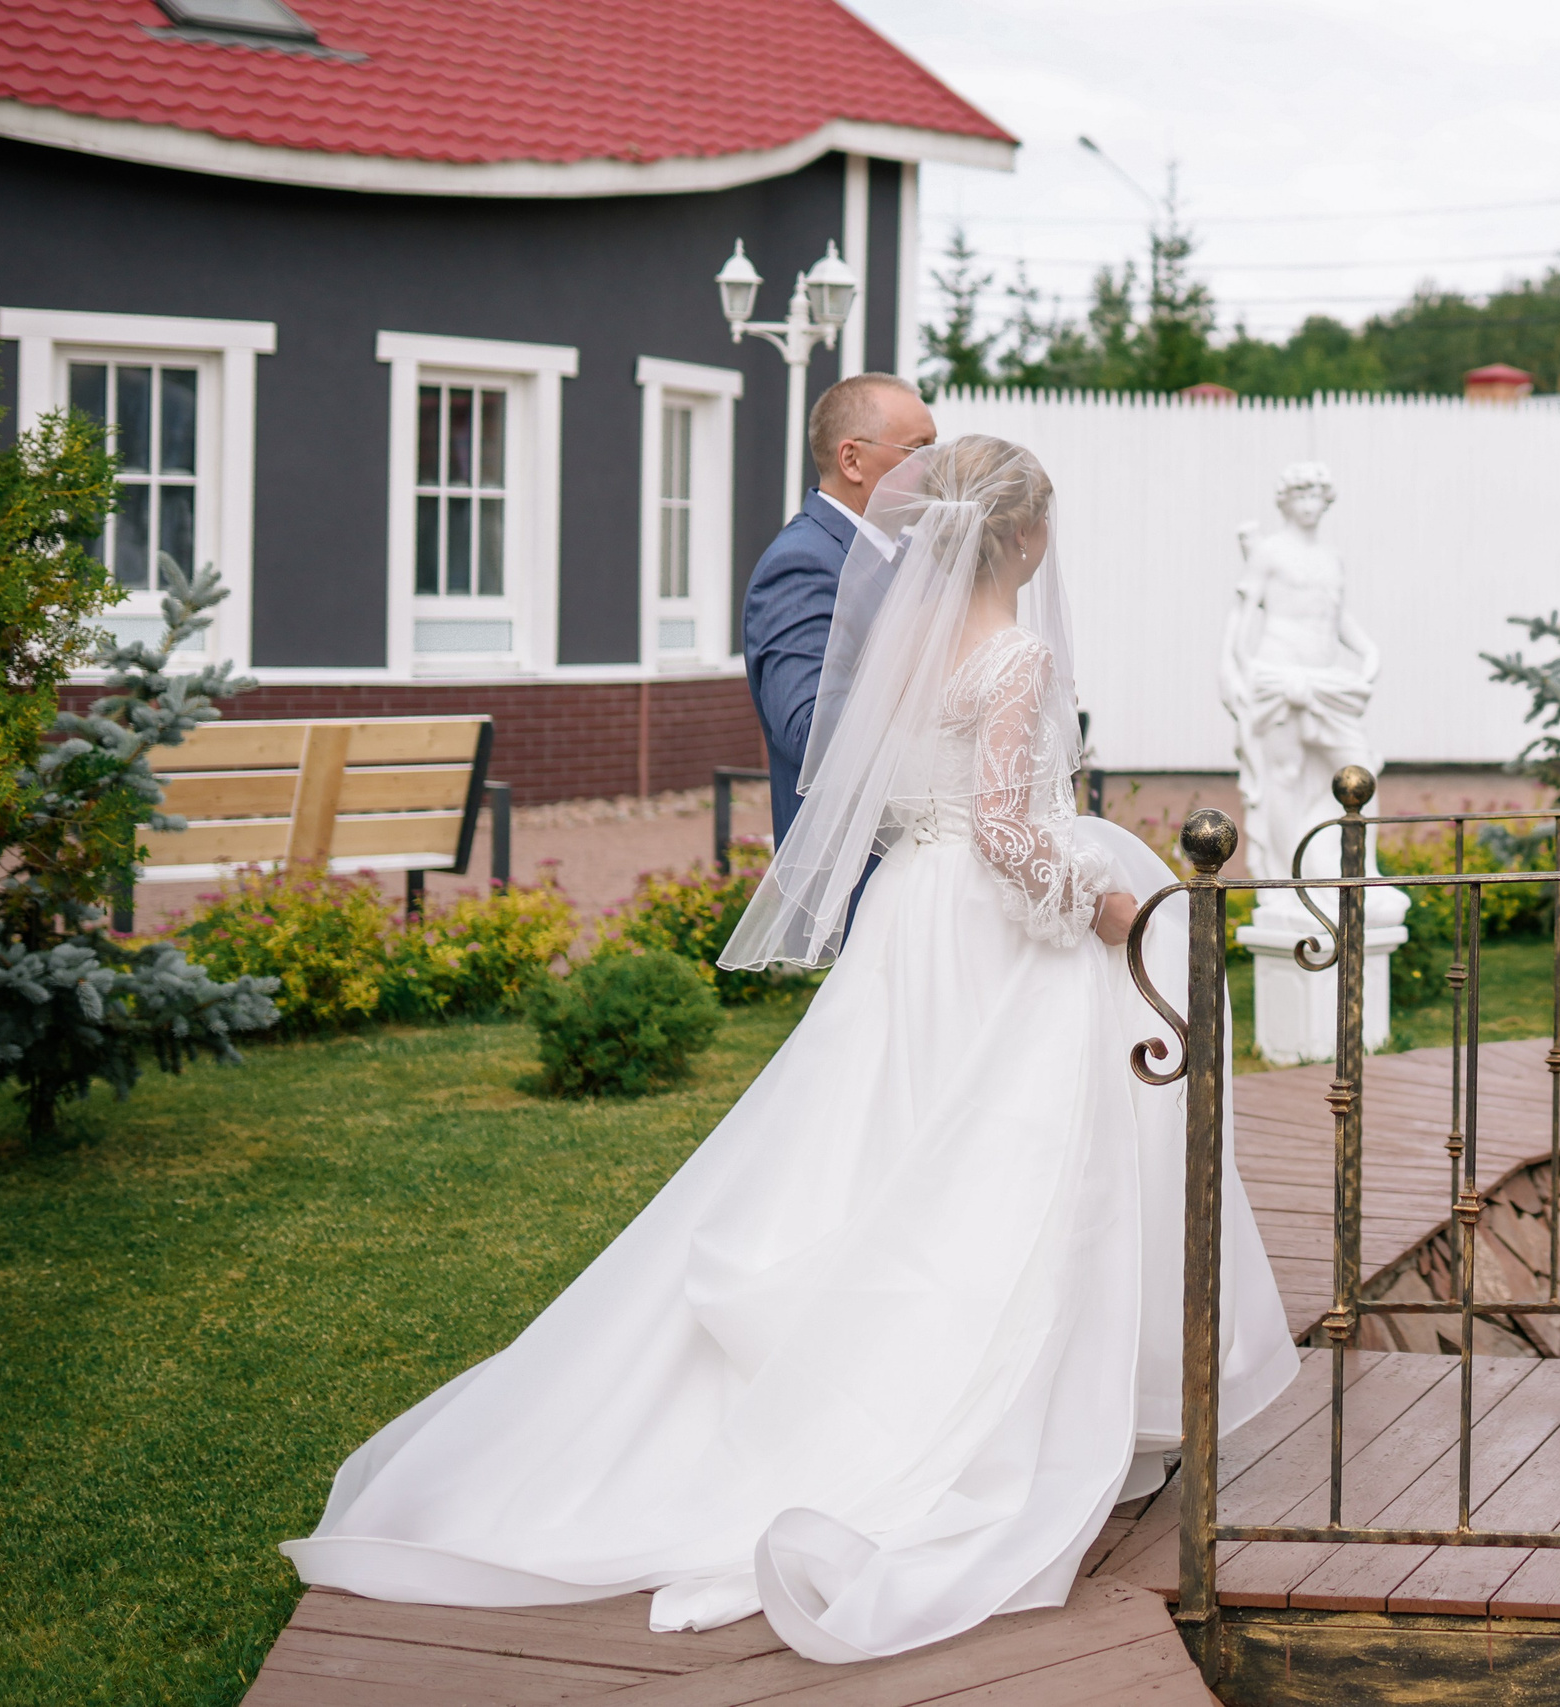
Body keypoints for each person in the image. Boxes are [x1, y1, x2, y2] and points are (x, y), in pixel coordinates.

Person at [283, 438, 1300, 1662]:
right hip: (991, 931)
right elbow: (1004, 835)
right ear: (1024, 540)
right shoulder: (1016, 653)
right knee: (1001, 1172)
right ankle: (982, 1406)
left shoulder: (902, 646)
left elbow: (911, 809)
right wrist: (1121, 910)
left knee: (876, 1155)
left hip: (909, 926)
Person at [745, 372, 938, 842]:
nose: (935, 467)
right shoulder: (802, 563)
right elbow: (812, 736)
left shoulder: (911, 555)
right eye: (919, 450)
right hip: (851, 879)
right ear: (852, 459)